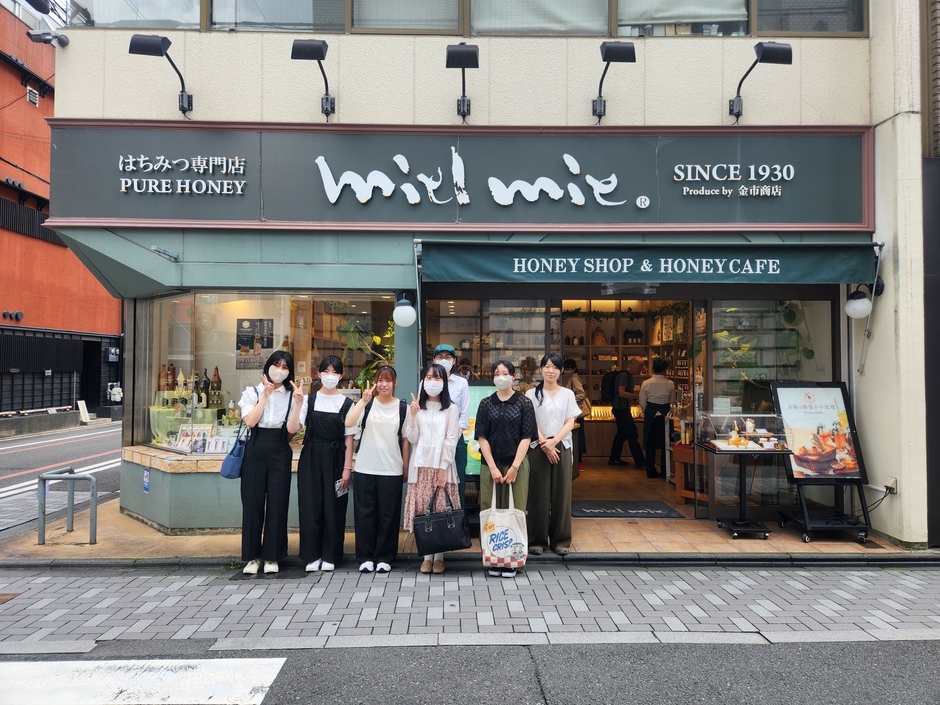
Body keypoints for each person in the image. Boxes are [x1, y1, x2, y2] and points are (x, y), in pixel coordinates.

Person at [238, 351, 307, 576]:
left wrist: (298, 403)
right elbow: (250, 422)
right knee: (252, 503)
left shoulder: (294, 395)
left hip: (280, 448)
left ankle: (272, 556)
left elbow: (292, 429)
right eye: (277, 365)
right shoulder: (252, 392)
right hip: (255, 448)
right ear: (268, 367)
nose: (280, 370)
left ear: (290, 372)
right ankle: (252, 557)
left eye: (285, 367)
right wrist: (265, 396)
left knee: (278, 503)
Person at [344, 366, 410, 574]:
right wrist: (363, 401)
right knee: (365, 515)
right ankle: (365, 557)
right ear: (375, 383)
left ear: (395, 383)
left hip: (391, 469)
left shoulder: (403, 408)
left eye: (388, 380)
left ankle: (384, 557)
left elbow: (406, 440)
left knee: (388, 516)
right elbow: (348, 422)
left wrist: (405, 466)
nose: (384, 384)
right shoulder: (367, 404)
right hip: (365, 467)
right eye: (380, 380)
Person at [475, 359, 537, 578]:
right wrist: (492, 467)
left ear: (513, 376)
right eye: (496, 373)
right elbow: (482, 437)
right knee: (490, 510)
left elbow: (527, 437)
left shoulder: (524, 403)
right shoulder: (485, 404)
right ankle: (493, 558)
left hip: (516, 465)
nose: (500, 377)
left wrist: (515, 466)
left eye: (505, 373)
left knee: (516, 510)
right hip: (490, 465)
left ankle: (513, 561)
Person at [297, 356, 356, 573]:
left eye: (335, 372)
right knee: (310, 505)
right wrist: (297, 403)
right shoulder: (308, 400)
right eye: (326, 371)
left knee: (334, 507)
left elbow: (349, 439)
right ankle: (312, 555)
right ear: (319, 374)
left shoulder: (347, 404)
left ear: (341, 376)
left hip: (336, 457)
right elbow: (293, 428)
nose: (330, 376)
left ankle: (331, 554)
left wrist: (347, 468)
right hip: (311, 456)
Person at [402, 363, 461, 575]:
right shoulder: (417, 407)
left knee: (441, 512)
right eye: (428, 377)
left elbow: (451, 440)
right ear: (423, 381)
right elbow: (412, 438)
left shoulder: (451, 408)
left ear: (444, 383)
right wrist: (413, 416)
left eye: (437, 378)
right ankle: (427, 557)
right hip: (421, 466)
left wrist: (443, 467)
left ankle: (439, 557)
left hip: (442, 466)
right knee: (424, 513)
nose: (432, 382)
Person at [525, 353, 581, 556]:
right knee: (537, 493)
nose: (551, 371)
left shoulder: (567, 394)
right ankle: (537, 539)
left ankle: (561, 539)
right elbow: (529, 421)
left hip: (562, 445)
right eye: (547, 367)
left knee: (562, 493)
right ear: (540, 369)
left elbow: (570, 421)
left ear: (561, 371)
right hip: (538, 447)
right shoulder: (531, 394)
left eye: (555, 367)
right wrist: (544, 443)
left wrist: (554, 441)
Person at [432, 344, 470, 508]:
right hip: (433, 440)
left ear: (454, 361)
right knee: (433, 480)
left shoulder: (461, 383)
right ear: (434, 360)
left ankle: (457, 520)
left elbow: (464, 414)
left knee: (457, 479)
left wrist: (455, 436)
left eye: (448, 357)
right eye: (440, 357)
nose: (444, 360)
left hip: (456, 440)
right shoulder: (426, 382)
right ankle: (434, 519)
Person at [639, 358, 676, 479]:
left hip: (651, 415)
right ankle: (665, 471)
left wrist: (647, 412)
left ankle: (650, 471)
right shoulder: (670, 383)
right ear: (665, 370)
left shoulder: (646, 383)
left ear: (652, 368)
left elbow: (642, 402)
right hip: (666, 416)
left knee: (650, 445)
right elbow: (672, 402)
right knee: (666, 444)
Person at [608, 357, 646, 467]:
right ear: (633, 364)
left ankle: (614, 458)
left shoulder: (627, 375)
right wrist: (638, 396)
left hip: (621, 408)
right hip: (621, 409)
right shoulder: (624, 375)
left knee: (622, 433)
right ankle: (639, 461)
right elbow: (621, 393)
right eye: (640, 366)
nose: (641, 369)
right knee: (633, 433)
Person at [561, 359, 591, 471]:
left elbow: (581, 394)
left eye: (569, 369)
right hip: (574, 412)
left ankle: (579, 462)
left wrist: (569, 400)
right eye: (565, 368)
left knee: (578, 437)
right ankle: (578, 462)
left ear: (574, 369)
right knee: (577, 436)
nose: (566, 371)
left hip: (576, 412)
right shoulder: (570, 378)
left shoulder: (574, 378)